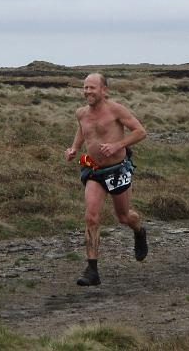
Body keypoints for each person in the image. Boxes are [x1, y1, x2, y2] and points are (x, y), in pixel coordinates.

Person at [64, 73, 148, 286]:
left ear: (104, 90)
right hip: (93, 170)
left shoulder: (116, 110)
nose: (87, 92)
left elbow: (140, 132)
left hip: (117, 169)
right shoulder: (81, 113)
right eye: (85, 88)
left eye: (92, 88)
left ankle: (139, 231)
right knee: (91, 216)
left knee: (123, 216)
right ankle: (92, 270)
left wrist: (117, 145)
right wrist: (74, 148)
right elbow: (82, 130)